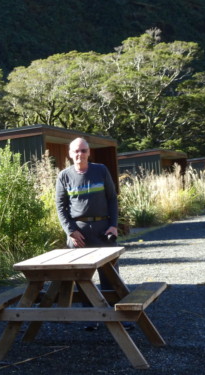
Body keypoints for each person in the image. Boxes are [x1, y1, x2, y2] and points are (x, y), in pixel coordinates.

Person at [55, 137, 132, 330]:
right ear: (70, 154)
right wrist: (71, 230)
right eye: (76, 151)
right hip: (79, 234)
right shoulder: (64, 176)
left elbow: (112, 200)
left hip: (103, 230)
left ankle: (117, 318)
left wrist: (113, 226)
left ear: (89, 152)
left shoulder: (101, 170)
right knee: (82, 277)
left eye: (83, 150)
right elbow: (60, 207)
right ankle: (91, 318)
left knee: (111, 275)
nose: (80, 154)